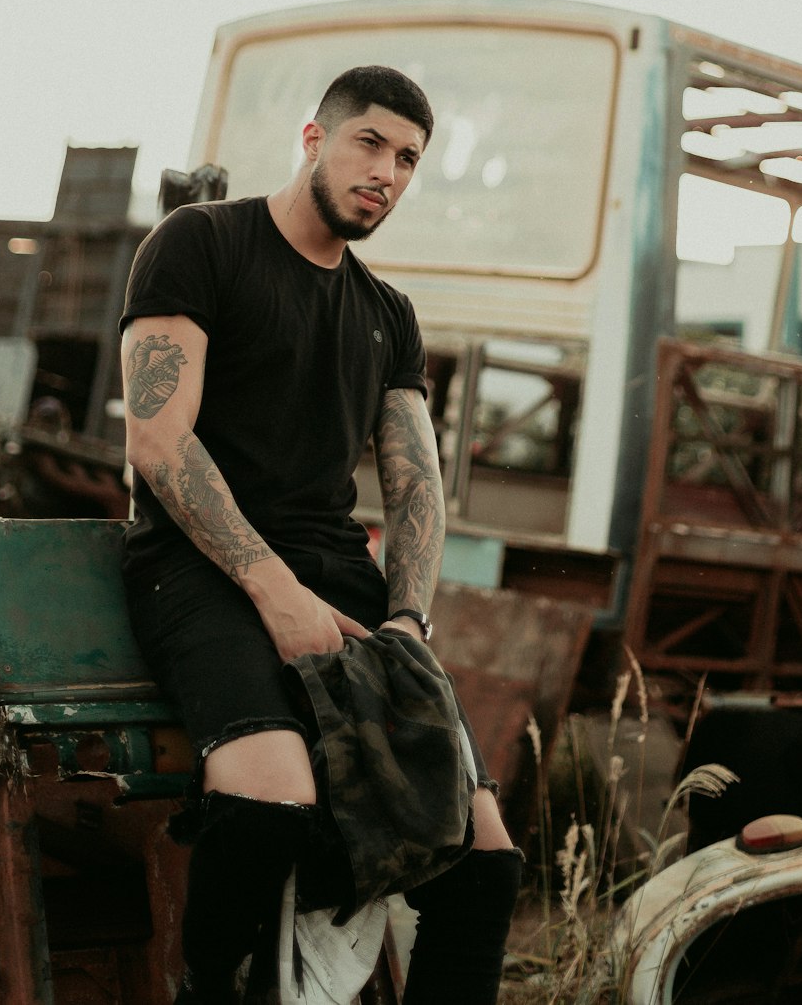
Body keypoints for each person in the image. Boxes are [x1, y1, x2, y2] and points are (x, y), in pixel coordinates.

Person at [119, 66, 522, 1004]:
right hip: (196, 565)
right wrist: (275, 591)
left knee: (485, 855)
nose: (387, 172)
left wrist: (410, 622)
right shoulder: (201, 244)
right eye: (369, 144)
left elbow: (416, 485)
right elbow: (157, 438)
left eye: (409, 159)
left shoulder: (388, 315)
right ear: (314, 138)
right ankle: (211, 988)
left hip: (341, 579)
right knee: (271, 804)